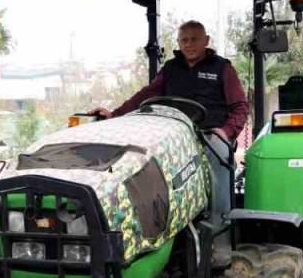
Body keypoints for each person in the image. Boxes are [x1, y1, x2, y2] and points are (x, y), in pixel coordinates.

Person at [90, 20, 250, 219]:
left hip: (209, 135)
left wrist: (225, 132)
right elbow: (145, 94)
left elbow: (241, 107)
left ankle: (221, 221)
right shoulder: (171, 68)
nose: (189, 44)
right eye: (184, 40)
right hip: (176, 135)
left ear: (206, 40)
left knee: (218, 151)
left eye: (194, 39)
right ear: (179, 42)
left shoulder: (222, 68)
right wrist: (115, 114)